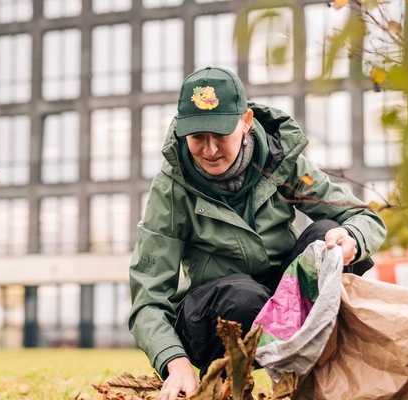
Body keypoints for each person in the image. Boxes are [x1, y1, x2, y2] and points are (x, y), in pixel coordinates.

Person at [128, 66, 386, 399]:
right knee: (243, 297)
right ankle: (230, 387)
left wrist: (352, 238)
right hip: (216, 318)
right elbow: (148, 297)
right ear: (181, 131)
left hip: (287, 305)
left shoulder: (282, 163)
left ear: (246, 121)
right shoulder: (171, 190)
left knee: (328, 235)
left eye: (220, 134)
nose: (209, 150)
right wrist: (174, 362)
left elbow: (361, 216)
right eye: (197, 137)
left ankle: (326, 381)